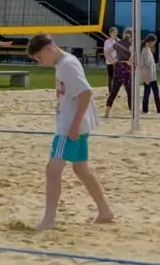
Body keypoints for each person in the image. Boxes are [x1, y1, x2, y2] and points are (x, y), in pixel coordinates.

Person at [28, 32, 115, 230]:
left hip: (69, 127)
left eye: (39, 58)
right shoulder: (64, 62)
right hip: (75, 123)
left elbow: (86, 92)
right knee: (81, 169)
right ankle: (105, 211)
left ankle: (48, 220)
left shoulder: (67, 64)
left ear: (48, 49)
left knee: (52, 170)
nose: (40, 63)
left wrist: (75, 123)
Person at [104, 28, 134, 114]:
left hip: (117, 68)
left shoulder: (117, 43)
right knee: (129, 90)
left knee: (114, 91)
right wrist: (130, 61)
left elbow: (106, 52)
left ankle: (107, 111)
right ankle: (132, 111)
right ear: (131, 36)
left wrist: (111, 60)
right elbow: (133, 53)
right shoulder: (130, 44)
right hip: (126, 68)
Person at [139, 33, 160, 114]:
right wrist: (145, 76)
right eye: (153, 42)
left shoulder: (148, 49)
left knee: (155, 92)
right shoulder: (144, 50)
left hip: (152, 75)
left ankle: (159, 109)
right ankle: (145, 109)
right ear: (150, 41)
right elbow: (143, 64)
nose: (154, 44)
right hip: (148, 75)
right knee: (147, 92)